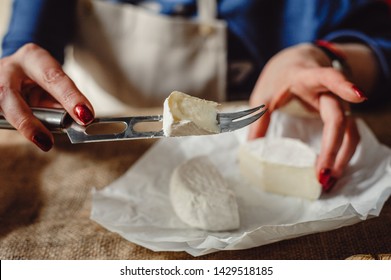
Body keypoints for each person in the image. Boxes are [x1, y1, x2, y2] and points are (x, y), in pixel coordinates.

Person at [1, 0, 391, 192]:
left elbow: (379, 38)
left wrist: (328, 58)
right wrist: (14, 68)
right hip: (102, 147)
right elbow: (25, 46)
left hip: (287, 126)